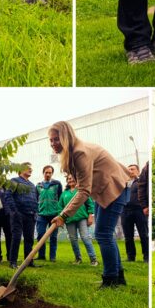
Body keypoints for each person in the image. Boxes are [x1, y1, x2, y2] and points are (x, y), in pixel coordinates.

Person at [48, 121, 132, 288]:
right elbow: (82, 188)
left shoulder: (80, 153)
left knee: (102, 234)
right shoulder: (73, 153)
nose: (53, 144)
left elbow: (83, 191)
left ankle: (110, 280)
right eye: (50, 140)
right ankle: (118, 277)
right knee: (105, 234)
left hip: (116, 189)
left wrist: (64, 215)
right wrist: (63, 214)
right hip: (105, 192)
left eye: (56, 139)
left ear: (66, 137)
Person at [3, 163, 39, 269]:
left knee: (29, 239)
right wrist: (15, 211)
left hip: (31, 215)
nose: (30, 169)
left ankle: (29, 261)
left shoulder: (32, 185)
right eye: (27, 167)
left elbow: (35, 199)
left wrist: (35, 212)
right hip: (18, 214)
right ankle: (13, 262)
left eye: (31, 168)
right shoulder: (14, 181)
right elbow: (8, 196)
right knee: (16, 237)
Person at [60, 172, 98, 266]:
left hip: (82, 218)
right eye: (69, 179)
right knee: (73, 239)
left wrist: (90, 216)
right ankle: (78, 259)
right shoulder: (64, 194)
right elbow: (60, 207)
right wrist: (61, 218)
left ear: (77, 180)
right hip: (69, 220)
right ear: (67, 181)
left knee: (85, 238)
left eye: (72, 178)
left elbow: (90, 204)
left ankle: (93, 259)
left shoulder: (81, 191)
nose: (71, 180)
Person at [35, 165, 64, 262]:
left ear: (52, 173)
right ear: (43, 173)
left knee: (53, 237)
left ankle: (52, 257)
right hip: (41, 215)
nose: (48, 174)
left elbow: (61, 199)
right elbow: (36, 200)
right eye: (46, 172)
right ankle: (41, 255)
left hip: (54, 215)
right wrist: (37, 212)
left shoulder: (57, 184)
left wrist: (60, 214)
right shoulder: (38, 185)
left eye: (50, 172)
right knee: (41, 235)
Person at [122, 163, 149, 263]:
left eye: (132, 169)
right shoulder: (123, 183)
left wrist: (145, 206)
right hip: (125, 210)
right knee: (128, 236)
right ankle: (130, 256)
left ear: (138, 171)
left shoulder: (141, 182)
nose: (130, 171)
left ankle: (146, 257)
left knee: (144, 234)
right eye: (128, 169)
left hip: (139, 210)